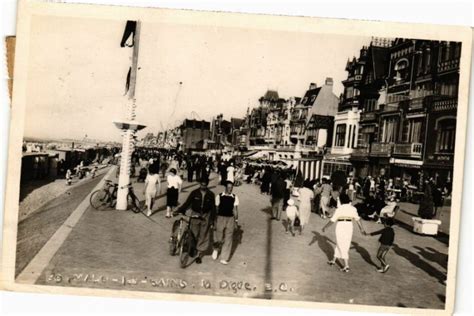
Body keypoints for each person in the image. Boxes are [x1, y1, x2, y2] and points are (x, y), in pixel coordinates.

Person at [173, 179, 216, 264]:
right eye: (202, 184)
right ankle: (192, 249)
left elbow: (213, 208)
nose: (203, 186)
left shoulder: (211, 194)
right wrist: (179, 210)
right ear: (200, 184)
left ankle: (199, 255)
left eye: (205, 185)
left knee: (203, 235)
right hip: (195, 215)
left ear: (207, 185)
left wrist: (212, 220)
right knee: (193, 234)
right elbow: (187, 203)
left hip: (205, 216)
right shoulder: (194, 192)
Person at [322, 193, 366, 272]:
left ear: (341, 201)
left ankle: (346, 265)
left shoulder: (339, 209)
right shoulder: (353, 208)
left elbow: (332, 220)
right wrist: (361, 229)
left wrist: (325, 227)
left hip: (341, 225)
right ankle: (333, 260)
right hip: (349, 226)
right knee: (343, 243)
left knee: (341, 243)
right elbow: (358, 219)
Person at [212, 181, 239, 265]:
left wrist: (236, 221)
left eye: (231, 188)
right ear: (225, 187)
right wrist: (215, 220)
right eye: (228, 187)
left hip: (230, 219)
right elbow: (216, 209)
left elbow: (235, 210)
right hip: (220, 218)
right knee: (218, 237)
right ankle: (216, 249)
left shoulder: (234, 197)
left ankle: (224, 257)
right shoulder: (219, 196)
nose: (230, 189)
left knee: (228, 238)